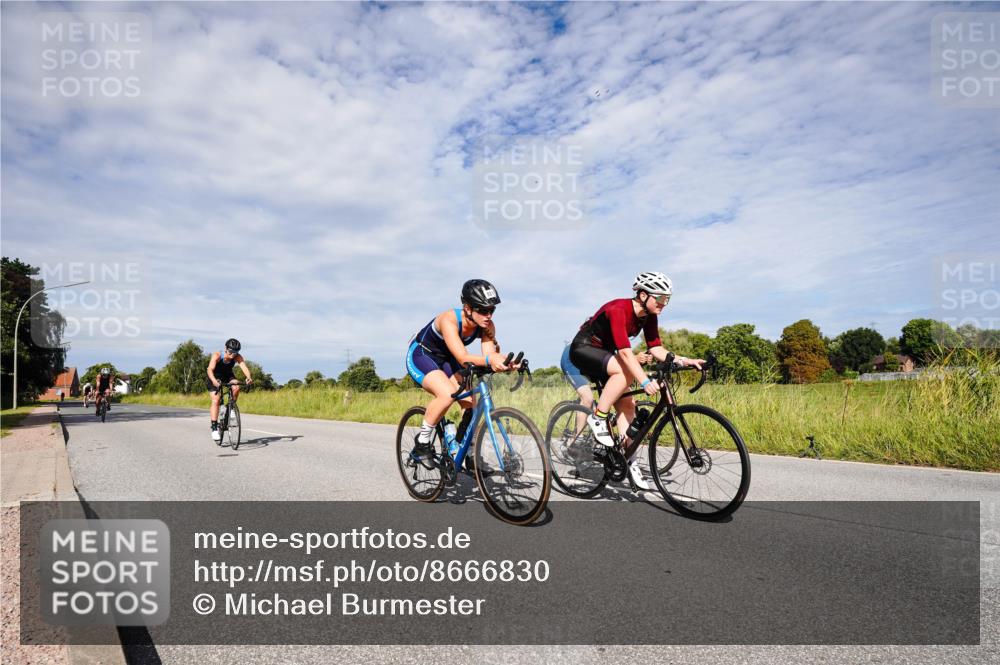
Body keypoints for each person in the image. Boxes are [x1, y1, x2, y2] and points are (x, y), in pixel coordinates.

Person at [569, 271, 703, 490]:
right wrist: (644, 381)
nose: (664, 303)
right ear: (642, 295)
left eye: (667, 299)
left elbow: (657, 348)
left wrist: (686, 361)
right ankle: (598, 418)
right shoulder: (618, 310)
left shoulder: (650, 317)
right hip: (584, 348)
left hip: (606, 354)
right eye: (660, 298)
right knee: (626, 371)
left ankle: (629, 462)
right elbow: (625, 354)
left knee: (628, 406)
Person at [405, 279, 518, 465]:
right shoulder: (448, 319)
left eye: (492, 310)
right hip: (422, 355)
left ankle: (467, 452)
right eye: (483, 310)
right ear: (467, 308)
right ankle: (422, 442)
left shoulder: (487, 326)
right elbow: (463, 357)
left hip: (448, 359)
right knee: (447, 395)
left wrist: (505, 363)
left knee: (470, 404)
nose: (488, 315)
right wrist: (491, 360)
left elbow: (488, 355)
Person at [207, 338, 253, 441]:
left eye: (236, 352)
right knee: (216, 400)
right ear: (226, 348)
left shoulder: (237, 356)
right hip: (214, 377)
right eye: (231, 351)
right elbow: (209, 369)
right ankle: (214, 428)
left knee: (236, 387)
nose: (233, 354)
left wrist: (249, 377)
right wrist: (214, 381)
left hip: (227, 375)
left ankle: (231, 408)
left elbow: (243, 366)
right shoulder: (218, 355)